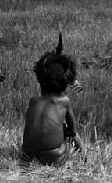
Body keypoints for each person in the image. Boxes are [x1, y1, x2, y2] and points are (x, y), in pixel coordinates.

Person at [21, 33, 83, 165]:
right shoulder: (65, 101)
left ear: (40, 80)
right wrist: (60, 130)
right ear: (65, 83)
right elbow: (72, 131)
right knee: (74, 135)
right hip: (52, 157)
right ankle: (84, 159)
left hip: (27, 154)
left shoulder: (33, 101)